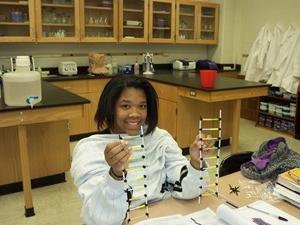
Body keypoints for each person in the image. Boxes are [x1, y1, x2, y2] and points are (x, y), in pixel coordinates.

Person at [71, 75, 210, 225]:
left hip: (165, 215)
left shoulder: (159, 138)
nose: (135, 114)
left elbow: (189, 189)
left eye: (142, 106)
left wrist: (195, 163)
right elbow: (100, 218)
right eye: (125, 106)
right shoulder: (89, 148)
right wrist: (115, 174)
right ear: (110, 107)